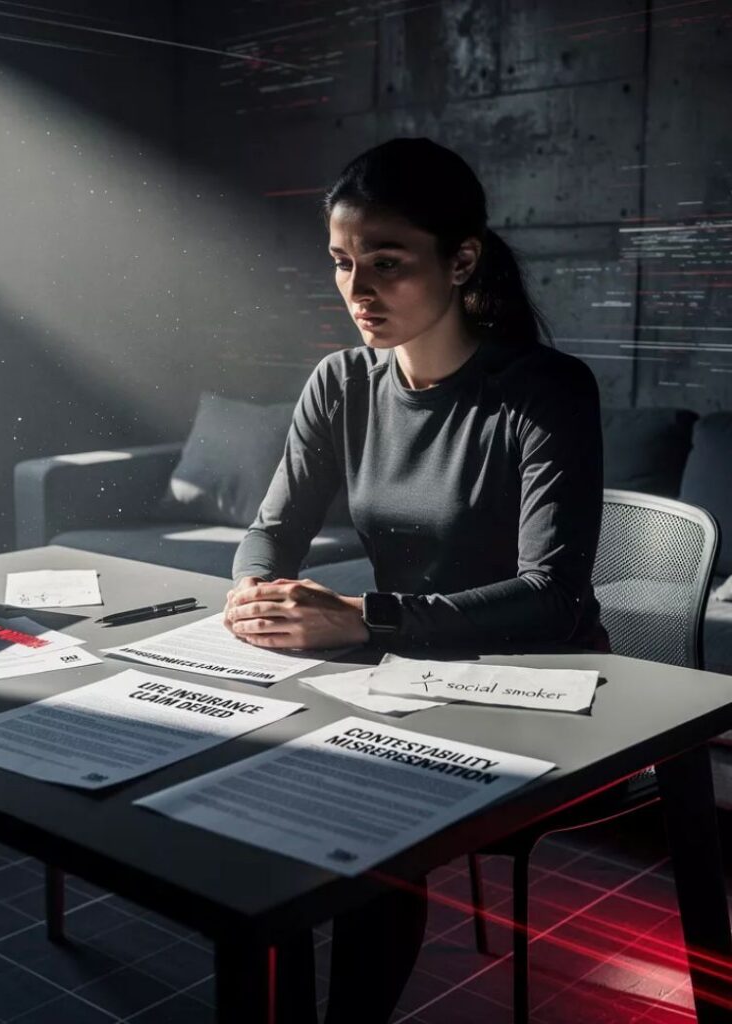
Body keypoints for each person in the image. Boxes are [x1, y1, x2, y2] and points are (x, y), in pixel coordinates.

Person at [223, 137, 606, 1023]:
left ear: (461, 259)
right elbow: (269, 532)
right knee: (251, 773)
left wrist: (365, 618)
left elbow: (551, 595)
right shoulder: (340, 384)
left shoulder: (545, 389)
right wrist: (255, 591)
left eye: (386, 265)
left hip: (532, 675)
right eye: (342, 264)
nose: (358, 293)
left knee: (365, 812)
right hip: (398, 670)